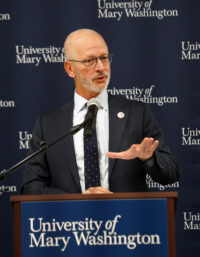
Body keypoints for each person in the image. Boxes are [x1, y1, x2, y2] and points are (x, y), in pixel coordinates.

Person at [21, 28, 179, 195]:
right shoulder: (48, 124)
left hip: (127, 217)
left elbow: (171, 174)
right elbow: (31, 186)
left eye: (104, 58)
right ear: (70, 68)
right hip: (72, 220)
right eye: (90, 61)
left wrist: (148, 158)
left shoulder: (137, 113)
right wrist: (77, 201)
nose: (101, 67)